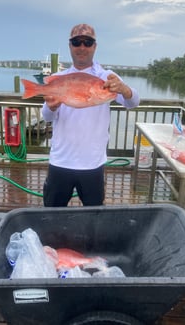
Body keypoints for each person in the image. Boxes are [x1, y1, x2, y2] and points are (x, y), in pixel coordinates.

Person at [42, 23, 140, 207]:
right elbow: (46, 117)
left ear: (94, 46)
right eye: (76, 42)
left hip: (93, 163)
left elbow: (133, 103)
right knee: (51, 213)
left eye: (87, 42)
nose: (82, 47)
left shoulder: (107, 77)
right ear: (70, 45)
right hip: (61, 160)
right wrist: (52, 107)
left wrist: (125, 89)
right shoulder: (59, 78)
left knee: (94, 215)